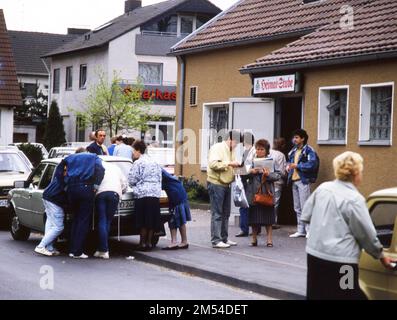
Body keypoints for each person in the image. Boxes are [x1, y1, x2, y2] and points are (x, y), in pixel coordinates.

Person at [302, 151, 396, 300]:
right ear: (356, 173)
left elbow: (306, 215)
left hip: (315, 255)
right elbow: (366, 234)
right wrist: (381, 256)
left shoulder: (323, 189)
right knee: (347, 295)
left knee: (318, 295)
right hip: (343, 263)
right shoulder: (355, 199)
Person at [64, 152, 105, 258]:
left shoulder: (70, 158)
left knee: (75, 219)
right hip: (86, 188)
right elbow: (100, 169)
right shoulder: (93, 157)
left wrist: (66, 183)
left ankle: (72, 249)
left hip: (72, 189)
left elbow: (61, 169)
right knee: (83, 220)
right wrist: (96, 185)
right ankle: (78, 251)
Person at [207, 130, 241, 249]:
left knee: (226, 212)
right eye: (236, 142)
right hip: (216, 183)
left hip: (226, 184)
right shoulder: (217, 148)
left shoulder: (232, 150)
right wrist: (230, 164)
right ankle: (216, 240)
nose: (237, 145)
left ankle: (224, 238)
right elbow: (213, 164)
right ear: (231, 139)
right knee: (217, 213)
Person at [245, 139, 281, 247]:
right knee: (254, 218)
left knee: (268, 218)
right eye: (257, 149)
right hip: (254, 193)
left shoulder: (272, 161)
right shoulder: (251, 161)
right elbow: (242, 174)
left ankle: (269, 240)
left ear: (266, 150)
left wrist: (268, 174)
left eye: (262, 149)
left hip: (267, 192)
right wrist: (251, 171)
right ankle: (254, 239)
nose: (259, 151)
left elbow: (278, 175)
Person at [128, 140, 162, 251]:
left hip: (143, 193)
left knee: (142, 220)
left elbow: (132, 179)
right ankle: (149, 243)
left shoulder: (138, 163)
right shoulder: (155, 162)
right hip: (155, 193)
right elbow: (160, 178)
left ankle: (142, 243)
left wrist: (133, 186)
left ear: (138, 150)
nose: (133, 154)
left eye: (133, 151)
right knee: (151, 219)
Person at [287, 129, 319, 238]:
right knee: (297, 207)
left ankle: (309, 230)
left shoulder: (309, 150)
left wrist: (297, 166)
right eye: (294, 137)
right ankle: (300, 230)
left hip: (303, 180)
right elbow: (290, 163)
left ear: (303, 138)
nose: (294, 140)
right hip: (294, 180)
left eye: (296, 137)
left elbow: (312, 165)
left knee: (305, 206)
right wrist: (288, 167)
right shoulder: (294, 151)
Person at [94, 161, 127, 259]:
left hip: (101, 194)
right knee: (107, 221)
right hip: (114, 194)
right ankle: (102, 249)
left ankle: (103, 249)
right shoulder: (115, 167)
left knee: (102, 220)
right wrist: (121, 191)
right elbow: (124, 183)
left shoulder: (97, 166)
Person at [34, 160, 67, 256]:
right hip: (54, 199)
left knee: (50, 222)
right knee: (58, 227)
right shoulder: (69, 177)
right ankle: (41, 246)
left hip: (47, 196)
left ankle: (49, 247)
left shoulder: (60, 173)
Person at [161, 169, 191, 250]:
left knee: (173, 219)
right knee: (180, 220)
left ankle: (175, 242)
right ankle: (184, 241)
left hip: (176, 196)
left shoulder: (156, 172)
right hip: (180, 194)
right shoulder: (162, 172)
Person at [236, 132, 256, 237]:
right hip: (244, 180)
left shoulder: (254, 151)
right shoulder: (246, 151)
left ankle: (246, 229)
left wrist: (241, 169)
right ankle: (247, 228)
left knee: (247, 205)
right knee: (245, 204)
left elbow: (253, 166)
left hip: (250, 181)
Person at [270, 138, 287, 228]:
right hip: (277, 181)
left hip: (268, 180)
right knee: (275, 202)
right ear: (282, 145)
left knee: (267, 200)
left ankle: (266, 220)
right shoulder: (281, 155)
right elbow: (282, 171)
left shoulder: (268, 152)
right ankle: (273, 222)